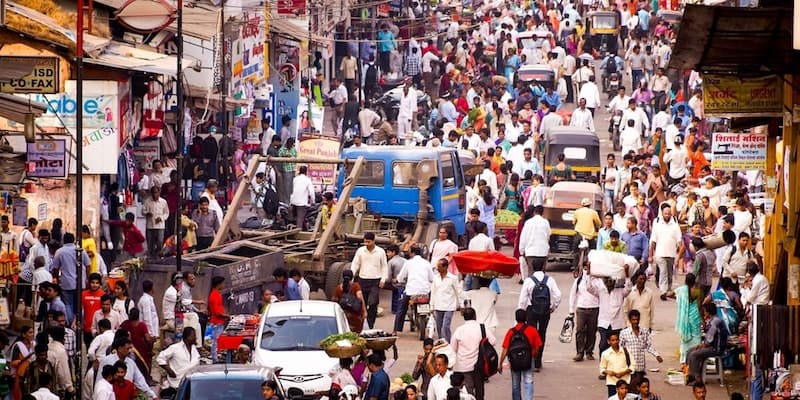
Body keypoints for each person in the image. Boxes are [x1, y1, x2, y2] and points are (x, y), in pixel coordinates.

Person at [517, 259, 561, 372]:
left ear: (532, 266)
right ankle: (538, 362)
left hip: (532, 310)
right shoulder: (550, 280)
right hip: (545, 311)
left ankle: (531, 359)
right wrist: (553, 307)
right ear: (543, 266)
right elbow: (558, 295)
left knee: (531, 335)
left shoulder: (528, 281)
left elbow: (522, 299)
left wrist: (521, 311)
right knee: (542, 334)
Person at [498, 309, 542, 400]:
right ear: (526, 318)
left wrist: (500, 363)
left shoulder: (511, 332)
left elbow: (505, 349)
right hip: (528, 360)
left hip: (514, 361)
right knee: (528, 381)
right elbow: (537, 347)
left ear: (516, 318)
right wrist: (533, 356)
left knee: (515, 384)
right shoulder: (532, 330)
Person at [450, 307, 494, 400]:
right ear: (475, 316)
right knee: (479, 391)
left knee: (468, 392)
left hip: (464, 366)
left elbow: (453, 348)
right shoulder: (482, 328)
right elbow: (493, 341)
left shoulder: (459, 330)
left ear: (464, 317)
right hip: (479, 366)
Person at [350, 232, 389, 329]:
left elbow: (384, 266)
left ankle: (370, 325)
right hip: (362, 280)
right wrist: (351, 277)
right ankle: (362, 324)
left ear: (374, 241)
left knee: (373, 303)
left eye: (369, 242)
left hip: (375, 281)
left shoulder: (380, 252)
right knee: (361, 303)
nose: (367, 244)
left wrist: (383, 279)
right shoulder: (360, 251)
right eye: (365, 242)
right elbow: (355, 264)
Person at [618, 310, 663, 393]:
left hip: (640, 366)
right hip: (629, 367)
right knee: (630, 390)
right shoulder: (624, 333)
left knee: (640, 390)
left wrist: (657, 355)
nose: (635, 322)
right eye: (633, 320)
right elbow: (620, 349)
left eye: (637, 320)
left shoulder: (644, 332)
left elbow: (648, 346)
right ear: (630, 320)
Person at [393, 246, 433, 335]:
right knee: (432, 308)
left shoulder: (408, 263)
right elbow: (431, 278)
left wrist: (397, 280)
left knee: (401, 309)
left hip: (411, 291)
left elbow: (401, 277)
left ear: (412, 253)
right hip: (425, 292)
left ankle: (395, 330)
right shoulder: (427, 263)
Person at [51, 232, 90, 325]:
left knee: (68, 305)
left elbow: (55, 268)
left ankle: (70, 325)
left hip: (66, 283)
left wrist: (57, 278)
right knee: (79, 305)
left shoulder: (60, 252)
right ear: (73, 240)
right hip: (80, 283)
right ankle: (79, 324)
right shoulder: (80, 250)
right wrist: (87, 278)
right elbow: (88, 265)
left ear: (63, 240)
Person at [686, 302, 729, 385]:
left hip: (716, 348)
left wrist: (701, 346)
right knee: (689, 351)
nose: (704, 313)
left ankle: (696, 379)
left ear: (708, 312)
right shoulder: (713, 320)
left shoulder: (715, 321)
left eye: (705, 311)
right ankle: (690, 374)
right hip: (713, 346)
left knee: (693, 354)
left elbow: (709, 339)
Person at [649, 203, 683, 300]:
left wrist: (678, 255)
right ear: (662, 213)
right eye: (665, 213)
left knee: (669, 273)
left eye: (669, 213)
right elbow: (653, 241)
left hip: (671, 253)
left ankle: (668, 290)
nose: (667, 215)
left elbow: (679, 240)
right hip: (660, 253)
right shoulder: (657, 224)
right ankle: (663, 291)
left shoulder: (675, 225)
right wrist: (651, 255)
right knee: (663, 271)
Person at [157, 327, 200, 397]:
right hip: (177, 383)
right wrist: (169, 370)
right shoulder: (175, 348)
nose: (196, 338)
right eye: (193, 336)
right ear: (187, 337)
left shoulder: (194, 349)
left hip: (192, 384)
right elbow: (160, 358)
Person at [431, 259, 462, 343]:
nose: (437, 269)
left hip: (449, 306)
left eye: (439, 267)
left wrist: (462, 306)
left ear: (445, 267)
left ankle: (448, 343)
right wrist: (431, 306)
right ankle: (442, 342)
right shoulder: (435, 278)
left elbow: (458, 292)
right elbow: (433, 292)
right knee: (439, 327)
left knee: (445, 326)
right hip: (438, 306)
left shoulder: (453, 278)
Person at [675, 273, 704, 365]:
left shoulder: (681, 290)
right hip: (695, 317)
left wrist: (680, 299)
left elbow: (669, 294)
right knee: (696, 337)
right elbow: (699, 307)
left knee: (685, 340)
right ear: (694, 281)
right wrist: (703, 319)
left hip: (685, 319)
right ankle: (695, 357)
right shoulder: (698, 291)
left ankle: (684, 359)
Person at [119, 308, 153, 379]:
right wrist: (150, 348)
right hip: (141, 351)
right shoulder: (142, 325)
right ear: (138, 315)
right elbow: (147, 338)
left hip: (127, 350)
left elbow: (118, 334)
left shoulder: (125, 324)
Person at [518, 206, 550, 274]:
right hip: (543, 252)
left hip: (531, 252)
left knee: (531, 273)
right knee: (541, 274)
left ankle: (532, 284)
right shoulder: (546, 222)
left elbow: (523, 237)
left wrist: (522, 251)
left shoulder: (528, 222)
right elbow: (548, 236)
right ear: (543, 213)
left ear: (534, 212)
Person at [599, 332, 632, 398]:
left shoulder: (626, 351)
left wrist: (623, 373)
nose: (615, 342)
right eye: (613, 340)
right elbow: (602, 368)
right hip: (612, 382)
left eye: (617, 340)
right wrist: (608, 372)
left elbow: (633, 366)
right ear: (608, 341)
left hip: (625, 381)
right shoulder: (605, 354)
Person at [45, 326, 73, 397]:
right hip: (56, 387)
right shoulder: (61, 351)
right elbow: (63, 372)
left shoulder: (48, 346)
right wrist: (70, 388)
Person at [142, 186, 169, 258]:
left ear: (159, 193)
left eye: (156, 193)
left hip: (160, 226)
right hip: (150, 225)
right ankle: (151, 257)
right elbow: (143, 211)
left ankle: (158, 256)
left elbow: (166, 213)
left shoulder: (163, 202)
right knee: (150, 243)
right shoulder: (147, 201)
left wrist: (161, 218)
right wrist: (147, 213)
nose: (155, 195)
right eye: (153, 193)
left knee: (160, 242)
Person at [10, 325, 35, 400]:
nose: (32, 334)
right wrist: (25, 359)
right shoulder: (18, 346)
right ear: (24, 335)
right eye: (30, 332)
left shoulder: (34, 344)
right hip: (21, 377)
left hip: (32, 376)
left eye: (33, 332)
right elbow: (13, 363)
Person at [208, 276, 229, 363]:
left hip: (217, 322)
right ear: (218, 284)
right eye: (223, 283)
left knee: (216, 341)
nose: (224, 285)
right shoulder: (215, 295)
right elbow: (217, 312)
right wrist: (227, 316)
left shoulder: (215, 294)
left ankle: (216, 357)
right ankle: (215, 358)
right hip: (217, 322)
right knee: (216, 341)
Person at [290, 166, 316, 231]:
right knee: (300, 220)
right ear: (306, 172)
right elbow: (312, 192)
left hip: (293, 201)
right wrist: (313, 202)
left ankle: (303, 229)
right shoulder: (307, 180)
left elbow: (291, 189)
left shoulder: (295, 179)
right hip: (301, 203)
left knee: (297, 218)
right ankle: (298, 233)